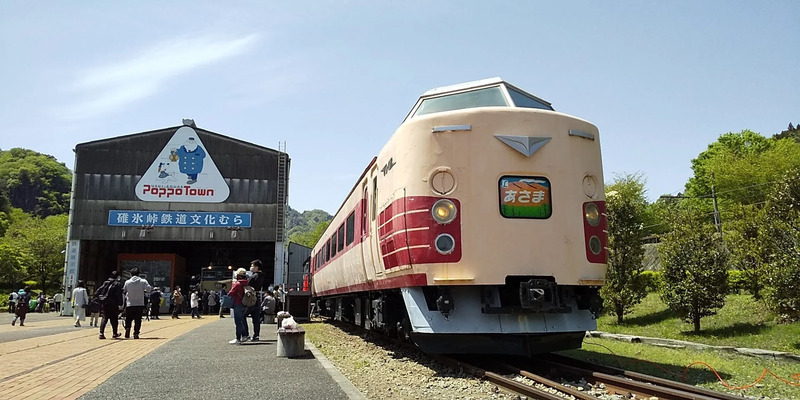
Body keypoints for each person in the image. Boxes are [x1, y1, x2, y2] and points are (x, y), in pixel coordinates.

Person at [122, 268, 152, 339]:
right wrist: (143, 291)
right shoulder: (143, 281)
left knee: (128, 319)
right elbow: (149, 289)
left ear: (131, 274)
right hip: (139, 304)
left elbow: (124, 290)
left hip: (130, 304)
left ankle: (127, 329)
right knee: (138, 320)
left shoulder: (127, 282)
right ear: (139, 274)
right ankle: (136, 333)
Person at [98, 271, 124, 340]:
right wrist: (120, 304)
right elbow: (119, 295)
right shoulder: (117, 284)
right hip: (113, 304)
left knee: (105, 317)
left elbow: (98, 291)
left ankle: (101, 333)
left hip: (105, 303)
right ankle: (115, 333)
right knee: (114, 319)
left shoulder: (106, 282)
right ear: (117, 276)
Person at [227, 268, 250, 344]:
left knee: (238, 322)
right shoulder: (247, 283)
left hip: (238, 303)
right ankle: (244, 336)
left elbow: (230, 293)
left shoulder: (237, 284)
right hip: (245, 304)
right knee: (242, 320)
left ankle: (238, 339)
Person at [246, 259, 265, 341]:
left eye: (252, 266)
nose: (251, 268)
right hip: (258, 298)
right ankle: (256, 335)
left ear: (257, 267)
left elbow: (247, 284)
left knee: (242, 316)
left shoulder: (254, 276)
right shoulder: (262, 276)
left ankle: (245, 334)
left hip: (251, 298)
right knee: (256, 319)